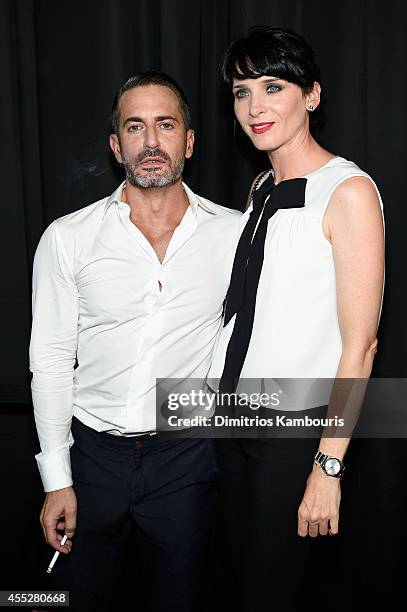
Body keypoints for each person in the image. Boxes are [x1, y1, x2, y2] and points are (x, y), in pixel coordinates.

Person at [29, 70, 241, 612]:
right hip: (91, 456)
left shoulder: (235, 235)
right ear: (115, 144)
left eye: (165, 125)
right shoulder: (68, 237)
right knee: (75, 599)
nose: (151, 142)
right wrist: (57, 479)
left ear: (189, 142)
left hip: (187, 459)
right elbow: (51, 359)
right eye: (135, 127)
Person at [208, 26, 385, 611]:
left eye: (273, 86)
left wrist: (327, 466)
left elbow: (360, 346)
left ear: (311, 95)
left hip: (294, 430)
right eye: (241, 92)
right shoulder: (261, 186)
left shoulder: (348, 190)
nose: (255, 107)